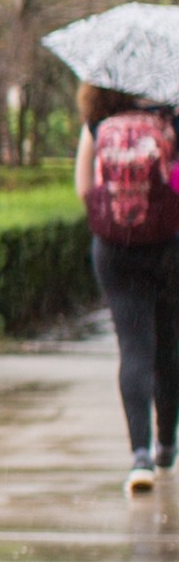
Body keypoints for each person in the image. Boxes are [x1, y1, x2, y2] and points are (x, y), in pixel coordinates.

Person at [74, 82, 179, 495]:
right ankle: (167, 445)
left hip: (114, 250)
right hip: (169, 247)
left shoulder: (97, 123)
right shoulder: (170, 122)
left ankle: (139, 457)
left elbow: (84, 189)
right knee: (168, 346)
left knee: (134, 348)